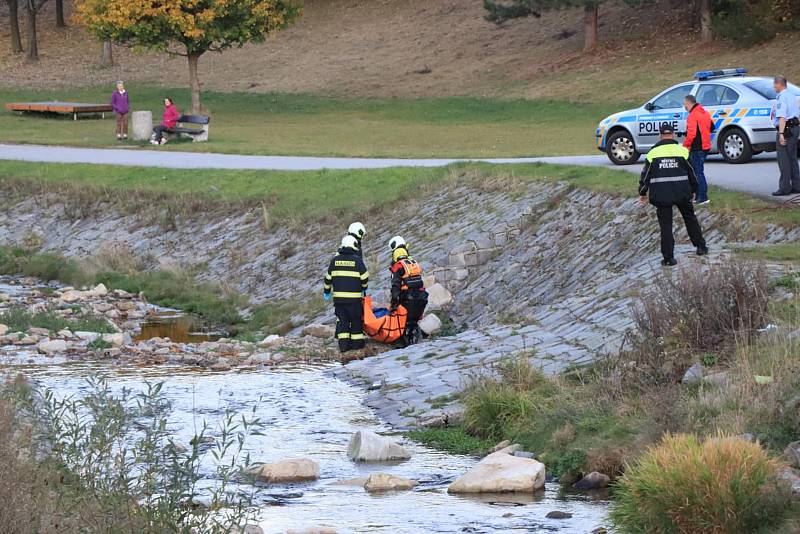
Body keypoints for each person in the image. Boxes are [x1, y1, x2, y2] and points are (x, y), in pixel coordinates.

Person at [639, 124, 708, 266]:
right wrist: (695, 189)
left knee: (666, 225)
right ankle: (701, 247)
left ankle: (669, 258)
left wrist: (643, 192)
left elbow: (646, 176)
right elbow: (692, 173)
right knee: (690, 218)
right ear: (673, 134)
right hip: (682, 192)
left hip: (661, 195)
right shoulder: (682, 151)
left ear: (660, 135)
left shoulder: (653, 153)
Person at [323, 235, 369, 353]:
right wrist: (364, 288)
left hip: (339, 300)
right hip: (354, 300)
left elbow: (328, 279)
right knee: (355, 320)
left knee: (342, 321)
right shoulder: (357, 260)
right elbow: (365, 277)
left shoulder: (334, 260)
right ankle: (357, 345)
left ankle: (343, 346)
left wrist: (327, 292)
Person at [389, 236, 428, 346]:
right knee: (413, 322)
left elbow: (395, 287)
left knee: (403, 322)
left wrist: (394, 304)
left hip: (408, 299)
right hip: (421, 297)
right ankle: (415, 340)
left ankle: (404, 343)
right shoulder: (413, 263)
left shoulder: (398, 266)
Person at [771, 75, 800, 196]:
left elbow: (782, 116)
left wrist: (781, 133)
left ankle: (784, 188)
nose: (774, 87)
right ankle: (797, 185)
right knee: (792, 158)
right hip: (794, 128)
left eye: (774, 84)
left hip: (786, 130)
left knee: (784, 160)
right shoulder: (791, 95)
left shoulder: (782, 98)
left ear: (779, 84)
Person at [682, 94, 713, 205]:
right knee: (697, 171)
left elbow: (692, 134)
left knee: (697, 172)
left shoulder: (692, 115)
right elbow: (712, 127)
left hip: (696, 148)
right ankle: (698, 196)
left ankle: (703, 197)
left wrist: (685, 146)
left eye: (684, 104)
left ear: (688, 103)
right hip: (705, 146)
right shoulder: (705, 113)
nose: (684, 107)